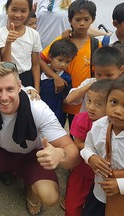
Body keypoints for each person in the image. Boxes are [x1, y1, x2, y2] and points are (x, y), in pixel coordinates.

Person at [0, 62, 79, 216]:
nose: (4, 97)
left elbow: (73, 154)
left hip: (33, 155)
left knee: (50, 197)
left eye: (10, 89)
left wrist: (60, 154)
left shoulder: (38, 108)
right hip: (1, 150)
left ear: (20, 86)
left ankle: (31, 191)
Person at [40, 0, 100, 129]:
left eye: (86, 19)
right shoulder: (63, 40)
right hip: (60, 100)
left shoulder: (96, 45)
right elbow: (41, 59)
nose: (82, 23)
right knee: (59, 129)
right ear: (70, 20)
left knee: (82, 134)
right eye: (78, 20)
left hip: (85, 103)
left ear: (93, 20)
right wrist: (55, 77)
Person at [65, 79, 112, 216]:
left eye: (98, 104)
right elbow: (77, 143)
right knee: (74, 204)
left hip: (105, 176)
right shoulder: (82, 119)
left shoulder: (114, 123)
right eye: (89, 100)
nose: (91, 107)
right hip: (83, 171)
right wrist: (94, 154)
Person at [80, 78, 124, 216]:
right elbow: (87, 147)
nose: (117, 111)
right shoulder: (99, 125)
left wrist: (120, 185)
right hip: (99, 193)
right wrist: (91, 157)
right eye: (114, 102)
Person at [0, 0, 42, 90]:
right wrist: (8, 42)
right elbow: (5, 63)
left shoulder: (33, 34)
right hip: (7, 76)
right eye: (14, 10)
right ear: (6, 9)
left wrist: (36, 88)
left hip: (27, 78)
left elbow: (35, 64)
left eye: (23, 11)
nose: (18, 15)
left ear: (29, 12)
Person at [65, 46, 123, 112]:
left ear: (121, 70)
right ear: (94, 69)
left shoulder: (120, 87)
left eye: (109, 75)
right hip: (86, 121)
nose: (103, 79)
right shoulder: (89, 82)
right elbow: (69, 100)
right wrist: (90, 85)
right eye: (99, 74)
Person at [40, 38, 77, 127]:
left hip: (56, 118)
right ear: (50, 57)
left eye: (67, 62)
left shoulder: (66, 78)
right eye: (60, 60)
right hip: (37, 115)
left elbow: (66, 99)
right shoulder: (38, 74)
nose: (63, 64)